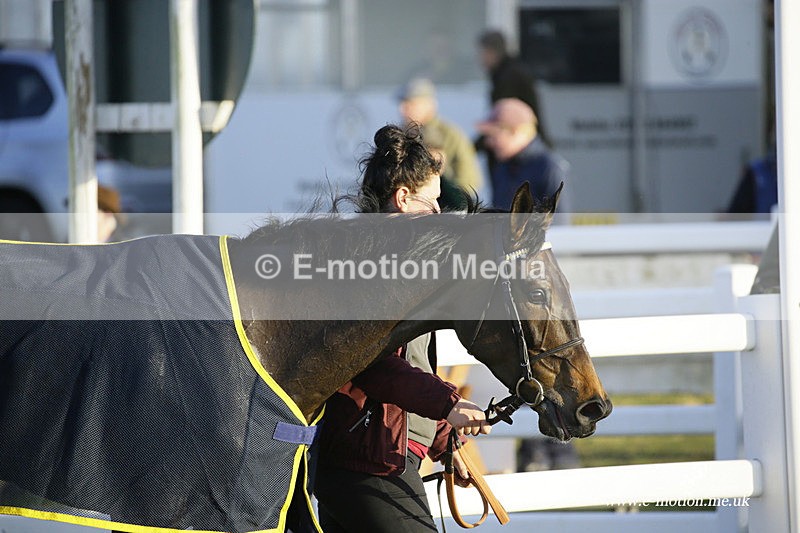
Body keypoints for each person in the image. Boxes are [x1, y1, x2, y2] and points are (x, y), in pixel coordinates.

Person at [314, 124, 491, 533]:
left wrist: (446, 440)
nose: (438, 212)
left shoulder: (398, 266)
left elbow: (413, 366)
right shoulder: (364, 266)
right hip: (367, 459)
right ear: (403, 198)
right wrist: (448, 405)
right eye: (432, 200)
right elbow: (372, 364)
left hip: (376, 455)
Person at [397, 78, 483, 210]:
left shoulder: (450, 135)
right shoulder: (402, 134)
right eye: (402, 104)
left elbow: (469, 181)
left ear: (429, 105)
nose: (402, 109)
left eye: (410, 104)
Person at [477, 97, 570, 212]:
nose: (488, 142)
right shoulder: (502, 167)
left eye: (493, 135)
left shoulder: (549, 168)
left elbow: (558, 221)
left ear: (516, 131)